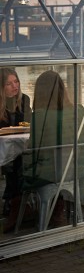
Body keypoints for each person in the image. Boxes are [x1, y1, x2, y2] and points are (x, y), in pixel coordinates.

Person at [22, 71, 84, 229]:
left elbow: (34, 148)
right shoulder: (79, 110)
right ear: (63, 88)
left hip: (47, 175)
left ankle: (24, 212)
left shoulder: (38, 116)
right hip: (76, 173)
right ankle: (59, 211)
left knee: (19, 167)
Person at [1, 67, 31, 232]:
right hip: (4, 146)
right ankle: (15, 202)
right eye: (9, 83)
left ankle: (13, 201)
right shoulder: (1, 104)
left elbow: (28, 123)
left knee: (18, 162)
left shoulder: (24, 99)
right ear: (2, 88)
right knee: (13, 163)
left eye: (16, 81)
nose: (15, 86)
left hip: (20, 145)